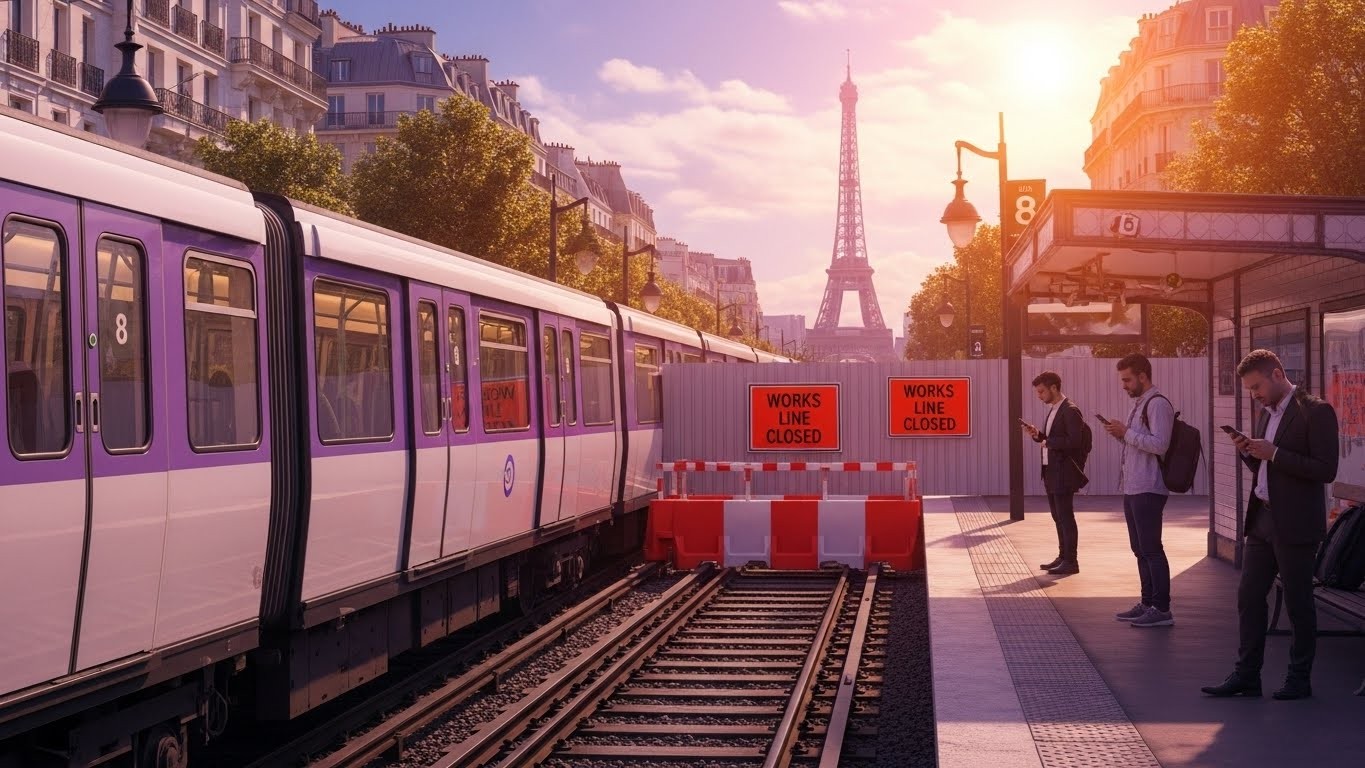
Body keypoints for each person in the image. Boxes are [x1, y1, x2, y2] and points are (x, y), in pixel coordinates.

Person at [1202, 349, 1339, 700]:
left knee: (1298, 603)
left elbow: (1326, 469)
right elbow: (1269, 469)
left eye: (1256, 386)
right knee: (1249, 596)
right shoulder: (1267, 414)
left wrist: (1274, 453)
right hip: (1262, 519)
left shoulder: (1316, 411)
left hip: (1295, 523)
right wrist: (1250, 453)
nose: (1254, 395)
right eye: (1250, 389)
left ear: (1277, 374)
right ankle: (1247, 675)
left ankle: (1299, 678)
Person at [1102, 353, 1176, 628]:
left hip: (1149, 487)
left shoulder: (1157, 405)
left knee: (1151, 548)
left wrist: (1126, 433)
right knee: (1140, 549)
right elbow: (1139, 443)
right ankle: (1147, 603)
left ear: (1143, 376)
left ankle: (1162, 608)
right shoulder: (1140, 404)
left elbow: (1160, 444)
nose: (1124, 385)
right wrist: (1121, 434)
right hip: (1134, 485)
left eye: (1127, 380)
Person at [1021, 371, 1085, 575]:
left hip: (1063, 472)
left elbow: (1074, 441)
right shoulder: (1055, 410)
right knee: (1058, 517)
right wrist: (1038, 436)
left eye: (1041, 391)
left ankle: (1071, 561)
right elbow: (1052, 439)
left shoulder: (1070, 410)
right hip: (1051, 471)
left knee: (1065, 517)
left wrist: (1048, 442)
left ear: (1054, 388)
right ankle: (1063, 556)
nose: (1039, 396)